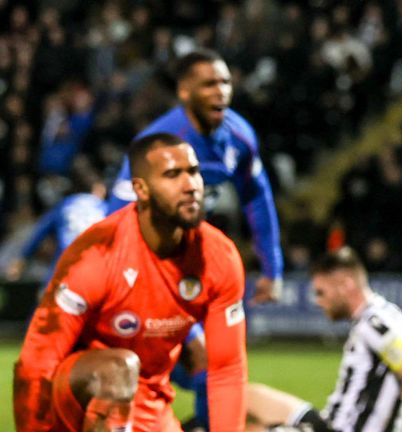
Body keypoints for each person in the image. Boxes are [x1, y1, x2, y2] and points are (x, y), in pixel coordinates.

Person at [14, 133, 247, 431]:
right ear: (141, 189)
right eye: (173, 175)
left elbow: (226, 369)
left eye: (193, 171)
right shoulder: (96, 252)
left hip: (151, 404)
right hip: (77, 398)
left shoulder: (219, 256)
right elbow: (38, 361)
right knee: (118, 369)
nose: (191, 185)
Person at [107, 48, 283, 428]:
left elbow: (258, 196)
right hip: (151, 274)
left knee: (219, 366)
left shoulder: (239, 135)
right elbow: (116, 216)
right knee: (139, 372)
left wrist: (272, 267)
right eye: (209, 84)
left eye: (225, 82)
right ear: (184, 92)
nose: (220, 91)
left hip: (203, 267)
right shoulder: (157, 143)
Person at [245, 247, 402, 432]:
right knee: (241, 396)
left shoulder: (375, 325)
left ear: (346, 285)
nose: (318, 301)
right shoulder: (384, 313)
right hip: (330, 424)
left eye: (321, 292)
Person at [4, 167, 107, 290]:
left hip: (65, 263)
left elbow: (40, 231)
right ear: (98, 189)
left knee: (46, 303)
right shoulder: (105, 208)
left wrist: (21, 259)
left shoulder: (66, 204)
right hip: (95, 268)